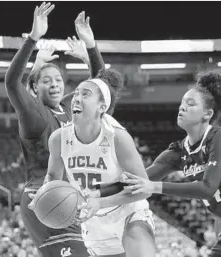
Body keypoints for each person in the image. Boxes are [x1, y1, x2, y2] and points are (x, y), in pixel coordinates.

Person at [92, 71, 221, 257]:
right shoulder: (178, 151)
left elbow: (207, 188)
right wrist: (97, 194)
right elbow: (140, 179)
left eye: (190, 104)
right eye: (183, 102)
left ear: (207, 114)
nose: (182, 107)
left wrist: (154, 187)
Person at [5, 3, 104, 256]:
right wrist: (33, 38)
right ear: (35, 88)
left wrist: (91, 48)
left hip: (69, 198)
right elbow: (12, 82)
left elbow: (101, 89)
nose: (55, 84)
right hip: (44, 197)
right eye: (46, 81)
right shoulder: (34, 113)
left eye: (58, 80)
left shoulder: (72, 109)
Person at [32, 68, 156, 257]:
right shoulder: (58, 139)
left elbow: (145, 189)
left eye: (86, 94)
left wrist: (102, 201)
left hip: (127, 212)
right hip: (92, 221)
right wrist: (43, 196)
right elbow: (52, 177)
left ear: (101, 107)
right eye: (76, 94)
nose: (76, 98)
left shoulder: (117, 138)